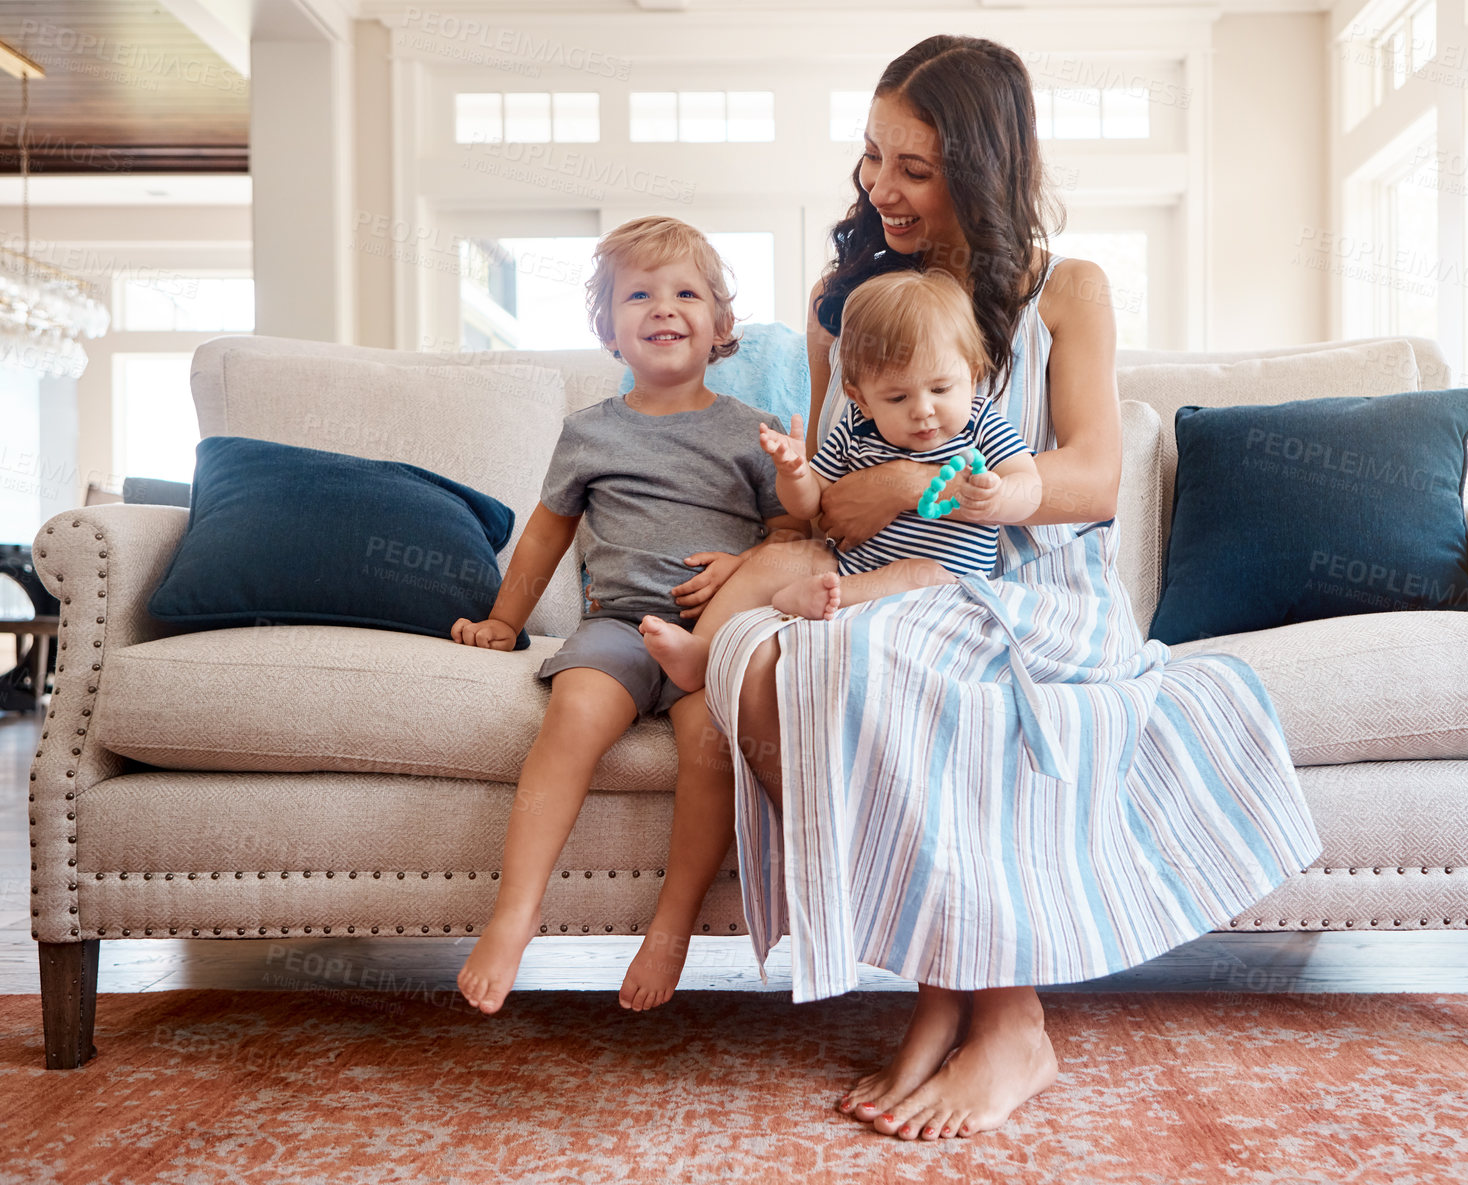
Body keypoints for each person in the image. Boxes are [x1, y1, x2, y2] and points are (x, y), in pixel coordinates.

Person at [702, 35, 1324, 1141]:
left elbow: (1093, 478)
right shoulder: (839, 303)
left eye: (914, 167)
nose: (878, 188)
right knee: (765, 671)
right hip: (896, 573)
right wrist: (810, 510)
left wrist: (918, 479)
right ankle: (948, 985)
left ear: (982, 168)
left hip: (1037, 582)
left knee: (880, 663)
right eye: (871, 157)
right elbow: (829, 493)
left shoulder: (1066, 292)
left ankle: (1011, 1023)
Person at [450, 215, 806, 1015]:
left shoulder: (755, 432)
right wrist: (505, 620)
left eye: (685, 293)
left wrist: (744, 566)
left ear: (721, 324)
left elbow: (792, 534)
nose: (662, 307)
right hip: (616, 625)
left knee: (711, 742)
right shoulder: (589, 432)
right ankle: (515, 912)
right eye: (638, 294)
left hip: (711, 635)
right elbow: (548, 531)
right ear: (607, 327)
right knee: (573, 710)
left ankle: (671, 927)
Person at [637, 268, 1042, 691]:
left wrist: (998, 498)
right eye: (898, 397)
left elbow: (1030, 487)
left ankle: (809, 601)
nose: (923, 410)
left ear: (972, 374)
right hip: (849, 566)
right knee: (780, 557)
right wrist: (794, 473)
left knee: (923, 574)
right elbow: (810, 505)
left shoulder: (980, 424)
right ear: (860, 398)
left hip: (941, 583)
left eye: (941, 389)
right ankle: (701, 652)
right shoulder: (857, 428)